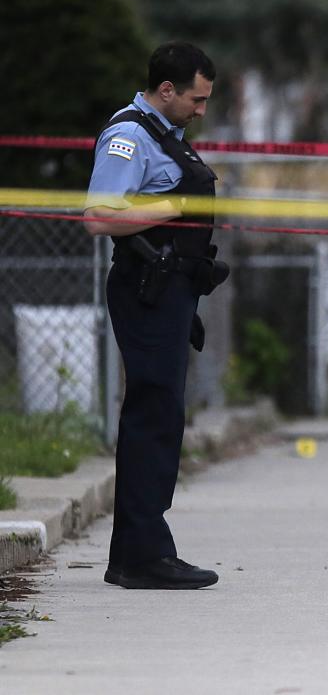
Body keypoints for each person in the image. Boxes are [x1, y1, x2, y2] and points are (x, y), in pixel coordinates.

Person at [84, 42, 228, 589]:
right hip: (146, 290)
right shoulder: (129, 136)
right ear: (166, 90)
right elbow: (99, 217)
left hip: (170, 294)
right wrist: (176, 207)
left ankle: (135, 553)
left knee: (161, 416)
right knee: (152, 417)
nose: (201, 110)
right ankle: (143, 557)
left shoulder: (167, 135)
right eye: (196, 98)